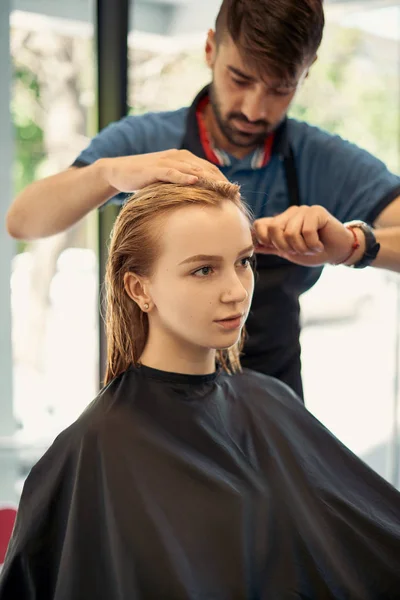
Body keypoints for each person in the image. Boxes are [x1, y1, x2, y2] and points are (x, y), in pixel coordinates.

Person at [1, 178, 400, 599]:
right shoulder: (95, 448)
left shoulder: (269, 400)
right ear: (139, 289)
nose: (235, 291)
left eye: (243, 261)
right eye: (204, 270)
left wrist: (357, 245)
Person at [6, 0, 400, 399]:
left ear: (307, 70)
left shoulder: (321, 159)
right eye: (240, 79)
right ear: (210, 48)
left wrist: (353, 246)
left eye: (280, 89)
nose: (254, 109)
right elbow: (23, 222)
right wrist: (107, 174)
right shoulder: (144, 142)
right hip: (151, 410)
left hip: (272, 414)